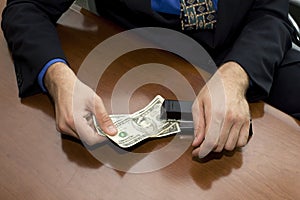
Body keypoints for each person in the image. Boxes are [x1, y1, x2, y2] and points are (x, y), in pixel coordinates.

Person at [1, 0, 300, 158]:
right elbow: (25, 7)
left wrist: (237, 73)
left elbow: (270, 15)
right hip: (139, 54)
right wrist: (58, 78)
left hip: (242, 47)